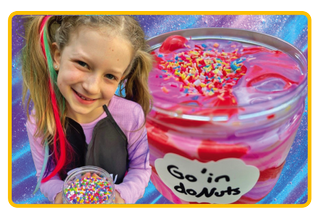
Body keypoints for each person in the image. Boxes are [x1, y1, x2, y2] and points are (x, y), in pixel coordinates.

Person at [21, 15, 154, 204]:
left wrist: (122, 196)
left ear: (121, 77)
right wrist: (61, 196)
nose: (91, 87)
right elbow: (47, 176)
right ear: (57, 55)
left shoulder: (130, 115)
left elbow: (140, 169)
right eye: (82, 64)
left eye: (110, 76)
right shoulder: (40, 120)